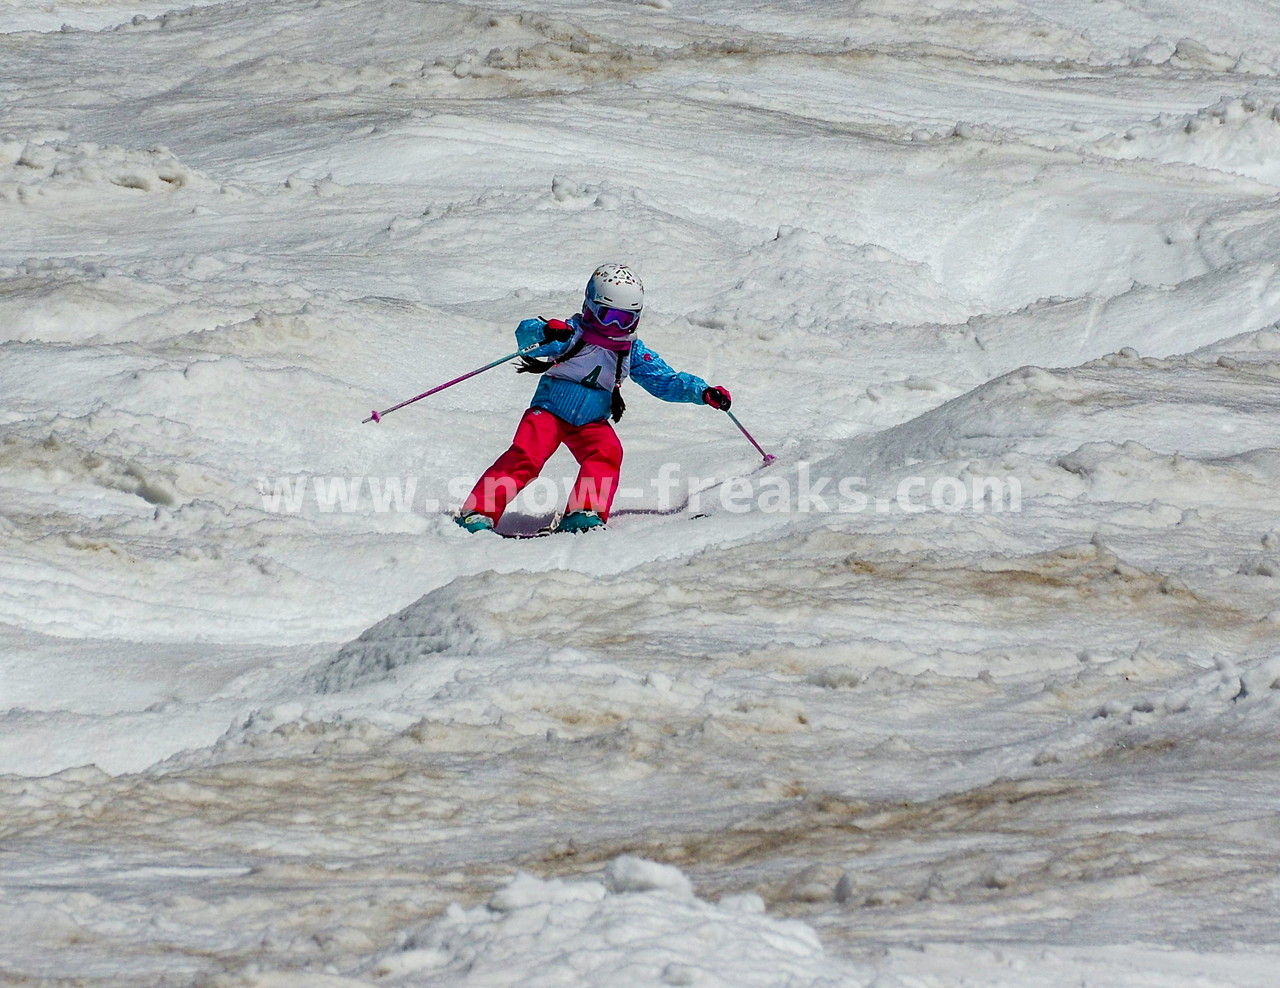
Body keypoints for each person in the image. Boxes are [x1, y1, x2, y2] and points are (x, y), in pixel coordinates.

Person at [456, 263, 732, 534]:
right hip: (549, 411)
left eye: (624, 319)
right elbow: (525, 334)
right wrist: (546, 332)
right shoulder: (570, 335)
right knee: (527, 455)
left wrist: (702, 391)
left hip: (591, 420)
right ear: (589, 307)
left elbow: (664, 380)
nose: (614, 325)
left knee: (607, 452)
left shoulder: (631, 351)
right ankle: (478, 511)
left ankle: (583, 512)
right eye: (607, 315)